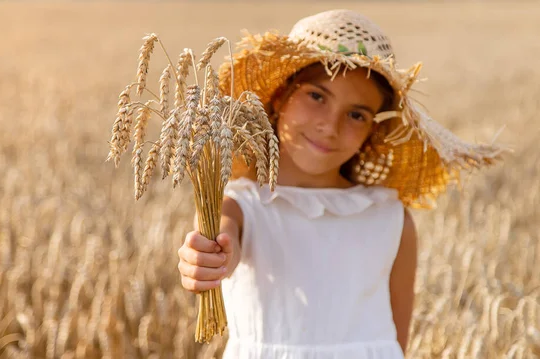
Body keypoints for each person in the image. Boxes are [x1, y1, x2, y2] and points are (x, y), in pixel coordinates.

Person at [177, 9, 503, 359]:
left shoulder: (391, 219)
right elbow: (217, 242)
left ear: (372, 131)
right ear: (280, 95)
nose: (330, 126)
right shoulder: (239, 207)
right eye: (317, 96)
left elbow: (395, 343)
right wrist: (206, 258)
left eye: (356, 114)